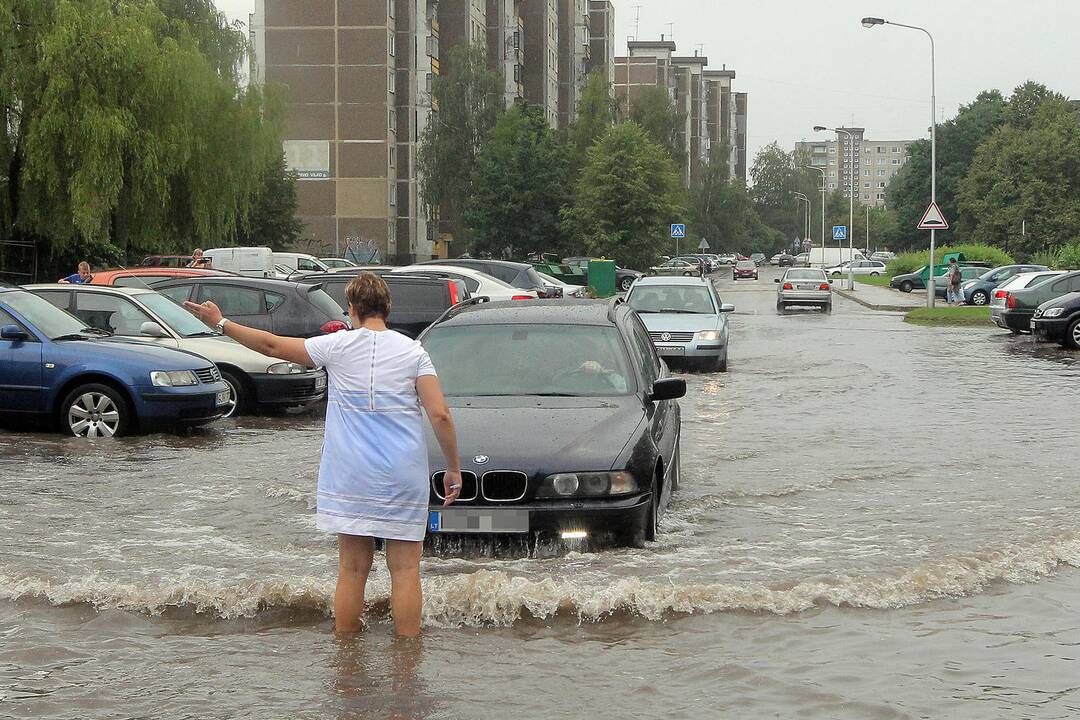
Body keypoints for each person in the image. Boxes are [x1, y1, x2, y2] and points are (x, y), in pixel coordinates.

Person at [184, 272, 462, 637]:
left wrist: (220, 322)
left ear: (352, 309)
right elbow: (439, 413)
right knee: (406, 570)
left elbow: (271, 346)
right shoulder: (413, 351)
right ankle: (407, 661)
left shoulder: (337, 346)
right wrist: (453, 469)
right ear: (387, 307)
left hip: (349, 473)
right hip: (402, 473)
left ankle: (346, 656)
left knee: (351, 570)